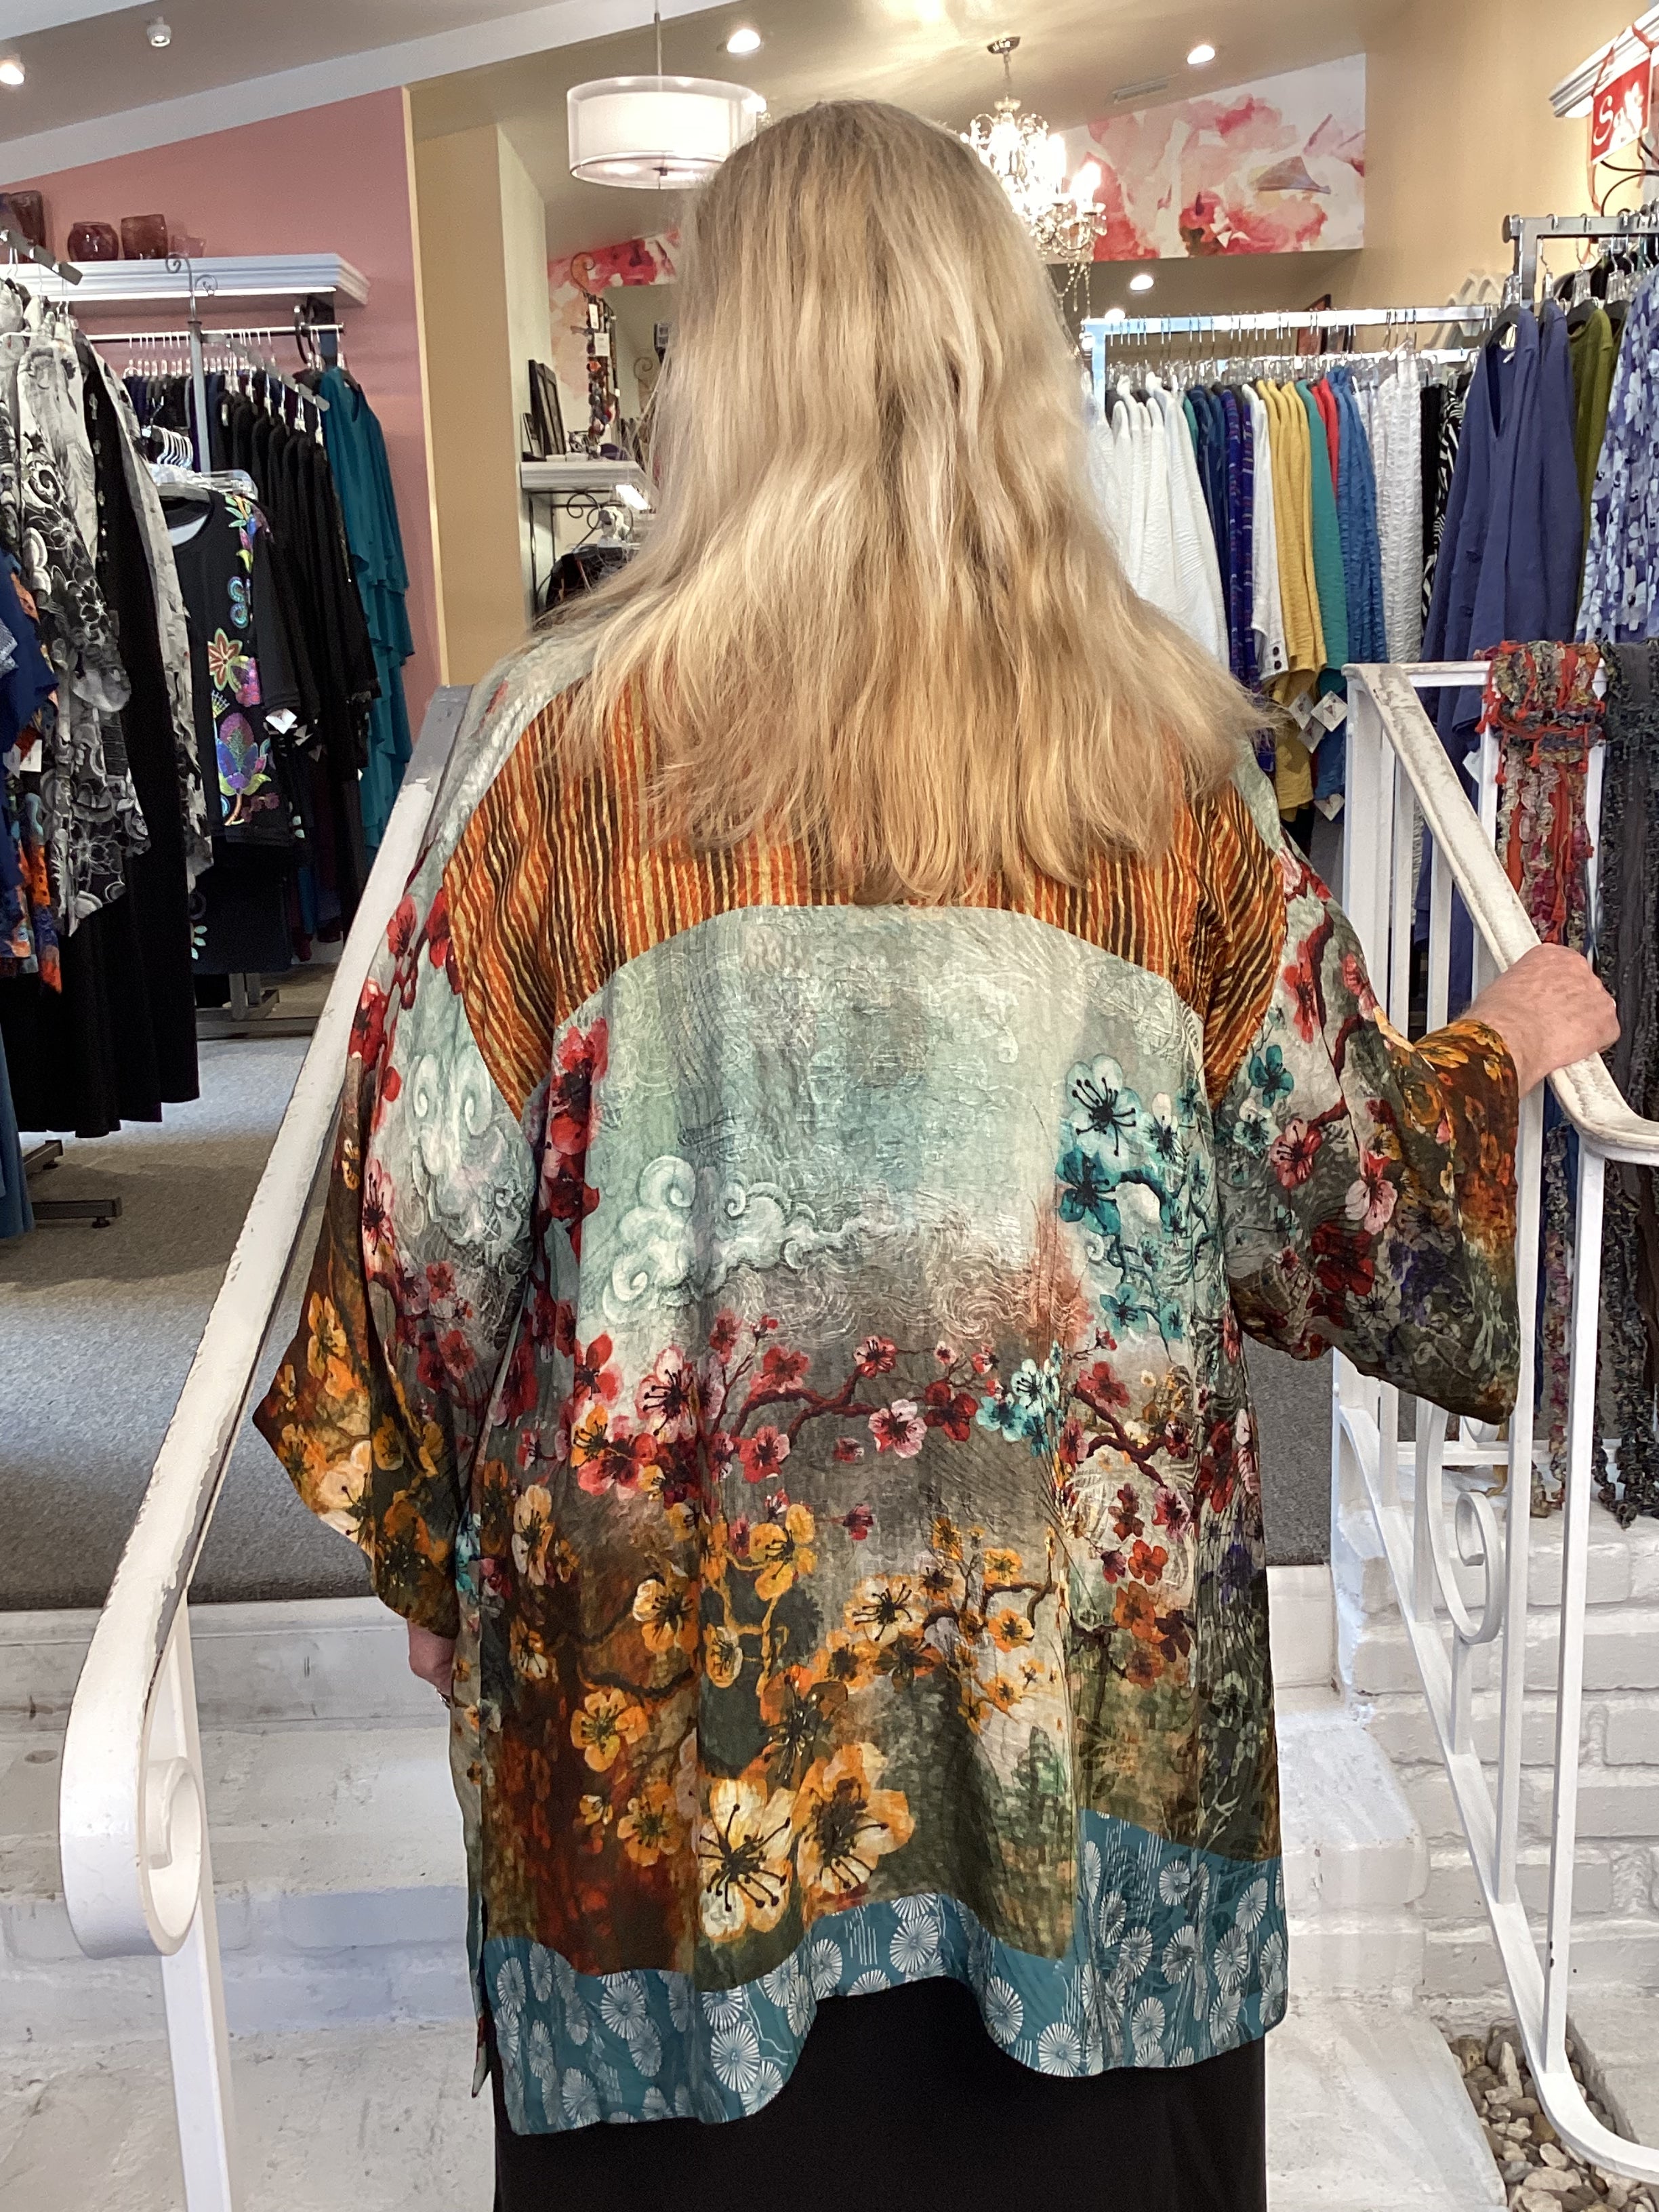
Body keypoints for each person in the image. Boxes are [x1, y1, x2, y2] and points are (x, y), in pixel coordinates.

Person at [255, 99, 1617, 2212]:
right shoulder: (1158, 765)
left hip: (679, 1792)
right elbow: (1335, 1200)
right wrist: (1498, 1046)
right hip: (1080, 1765)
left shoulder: (547, 757)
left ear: (725, 376)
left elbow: (416, 1235)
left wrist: (442, 1556)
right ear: (1005, 367)